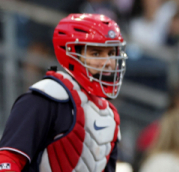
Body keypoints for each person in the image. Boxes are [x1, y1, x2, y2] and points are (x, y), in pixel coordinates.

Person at [0, 13, 127, 172]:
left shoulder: (110, 118)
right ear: (72, 54)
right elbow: (8, 160)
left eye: (111, 53)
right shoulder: (44, 99)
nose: (108, 63)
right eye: (96, 53)